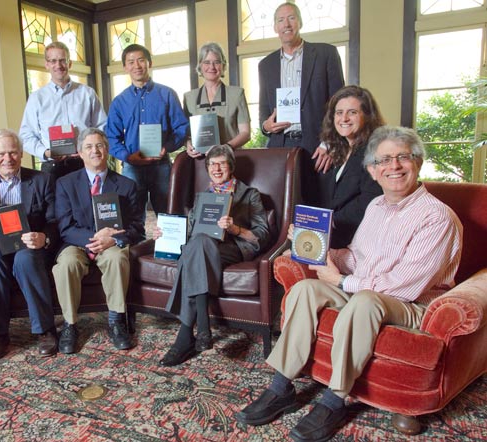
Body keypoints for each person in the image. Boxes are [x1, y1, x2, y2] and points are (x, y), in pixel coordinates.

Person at [235, 126, 463, 442]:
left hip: (414, 305)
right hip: (366, 291)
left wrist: (342, 281)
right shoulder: (377, 207)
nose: (393, 167)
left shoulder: (436, 217)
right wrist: (317, 248)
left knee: (365, 300)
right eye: (383, 161)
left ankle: (335, 399)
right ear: (372, 170)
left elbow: (405, 286)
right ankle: (281, 386)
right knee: (305, 289)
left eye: (402, 158)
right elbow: (356, 257)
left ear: (418, 162)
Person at [158, 145, 273, 366]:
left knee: (195, 250)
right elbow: (188, 234)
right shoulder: (202, 198)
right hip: (203, 250)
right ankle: (198, 331)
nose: (217, 168)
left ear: (230, 166)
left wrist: (236, 229)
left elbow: (263, 235)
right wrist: (164, 234)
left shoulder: (249, 194)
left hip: (233, 248)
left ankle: (191, 333)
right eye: (212, 164)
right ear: (207, 168)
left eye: (221, 163)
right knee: (197, 244)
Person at [0, 129, 58, 362]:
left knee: (25, 259)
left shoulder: (41, 180)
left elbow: (55, 220)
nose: (8, 158)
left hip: (29, 246)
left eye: (13, 152)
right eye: (1, 153)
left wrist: (43, 237)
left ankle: (44, 330)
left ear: (22, 154)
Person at [53, 128, 145, 354]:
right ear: (80, 152)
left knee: (117, 258)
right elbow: (64, 227)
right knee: (66, 264)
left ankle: (116, 321)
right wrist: (94, 238)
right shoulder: (65, 184)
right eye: (89, 147)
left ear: (108, 150)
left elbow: (137, 228)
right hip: (77, 242)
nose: (95, 151)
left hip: (112, 244)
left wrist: (114, 239)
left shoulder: (127, 185)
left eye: (100, 146)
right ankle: (70, 325)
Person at [258, 2, 344, 206]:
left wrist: (329, 144)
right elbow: (263, 113)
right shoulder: (266, 65)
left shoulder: (326, 54)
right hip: (280, 147)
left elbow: (339, 105)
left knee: (319, 205)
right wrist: (266, 126)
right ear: (275, 27)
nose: (286, 24)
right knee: (284, 207)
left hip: (318, 146)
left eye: (291, 18)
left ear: (300, 22)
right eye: (280, 20)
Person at [106, 43, 189, 219]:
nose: (137, 66)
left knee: (169, 214)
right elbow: (111, 137)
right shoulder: (119, 102)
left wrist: (166, 147)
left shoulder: (167, 94)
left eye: (141, 60)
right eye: (131, 62)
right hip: (132, 167)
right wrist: (128, 156)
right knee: (131, 216)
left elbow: (181, 128)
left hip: (161, 166)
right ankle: (136, 247)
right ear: (125, 67)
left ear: (149, 63)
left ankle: (171, 247)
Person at [19, 41, 107, 182]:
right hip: (52, 167)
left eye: (62, 60)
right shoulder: (37, 98)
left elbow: (102, 127)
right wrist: (45, 152)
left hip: (84, 162)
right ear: (46, 64)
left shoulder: (87, 93)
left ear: (69, 63)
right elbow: (26, 135)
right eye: (53, 61)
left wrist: (91, 148)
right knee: (54, 205)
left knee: (88, 204)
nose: (58, 65)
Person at [319, 85, 385, 248]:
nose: (344, 118)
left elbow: (372, 198)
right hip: (334, 235)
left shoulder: (376, 150)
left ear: (367, 116)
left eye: (352, 112)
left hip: (360, 238)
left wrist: (330, 221)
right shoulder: (336, 150)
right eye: (339, 112)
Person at [183, 42, 251, 157]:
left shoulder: (237, 94)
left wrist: (226, 147)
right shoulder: (189, 98)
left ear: (223, 65)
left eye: (217, 62)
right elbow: (185, 134)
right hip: (200, 161)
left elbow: (245, 133)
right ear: (200, 66)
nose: (212, 67)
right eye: (206, 62)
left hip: (230, 159)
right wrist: (188, 144)